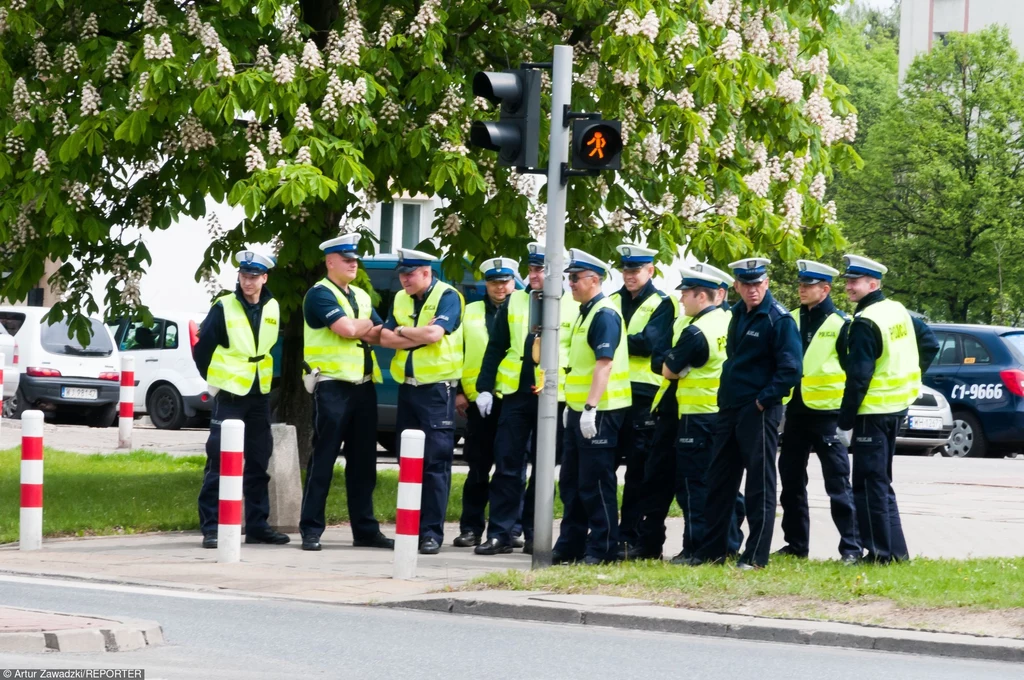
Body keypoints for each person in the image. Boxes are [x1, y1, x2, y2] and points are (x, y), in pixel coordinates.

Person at [686, 257, 801, 569]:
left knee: (759, 485)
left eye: (758, 283)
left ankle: (755, 555)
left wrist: (762, 401)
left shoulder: (779, 319)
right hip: (729, 408)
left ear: (766, 283)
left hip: (758, 411)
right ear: (736, 286)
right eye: (747, 284)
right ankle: (712, 551)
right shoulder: (736, 314)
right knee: (718, 481)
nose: (753, 290)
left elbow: (790, 370)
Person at [474, 242, 576, 555]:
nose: (533, 275)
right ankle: (501, 533)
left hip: (555, 396)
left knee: (544, 468)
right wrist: (484, 387)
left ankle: (535, 534)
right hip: (517, 394)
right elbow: (496, 346)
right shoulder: (515, 300)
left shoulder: (573, 302)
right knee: (507, 464)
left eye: (540, 269)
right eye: (531, 269)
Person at [838, 254, 939, 564]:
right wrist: (910, 374)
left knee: (868, 486)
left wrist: (845, 419)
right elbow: (931, 344)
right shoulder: (897, 311)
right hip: (896, 407)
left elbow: (859, 376)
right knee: (880, 483)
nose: (849, 287)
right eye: (848, 282)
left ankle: (881, 554)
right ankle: (894, 553)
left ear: (874, 283)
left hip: (874, 411)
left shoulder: (866, 321)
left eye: (854, 282)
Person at [298, 234, 394, 552]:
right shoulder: (319, 295)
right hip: (332, 387)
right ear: (330, 262)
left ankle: (365, 530)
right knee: (324, 459)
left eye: (355, 259)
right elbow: (350, 330)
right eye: (346, 259)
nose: (354, 264)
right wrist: (366, 325)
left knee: (364, 462)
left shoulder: (362, 296)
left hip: (364, 386)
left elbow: (380, 335)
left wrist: (380, 328)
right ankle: (311, 529)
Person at [194, 250, 289, 549]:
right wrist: (215, 381)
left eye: (253, 277)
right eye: (243, 276)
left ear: (264, 278)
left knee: (259, 461)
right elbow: (203, 348)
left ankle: (258, 524)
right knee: (220, 462)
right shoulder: (224, 306)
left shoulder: (272, 306)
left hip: (259, 395)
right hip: (231, 396)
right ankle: (212, 526)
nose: (247, 282)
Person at [776, 260, 861, 563]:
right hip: (796, 412)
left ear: (825, 289)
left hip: (827, 414)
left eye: (808, 286)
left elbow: (853, 372)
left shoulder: (842, 324)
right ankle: (796, 545)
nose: (802, 289)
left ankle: (851, 548)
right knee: (791, 482)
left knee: (838, 484)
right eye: (800, 285)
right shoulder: (790, 319)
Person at [380, 248, 464, 555]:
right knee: (408, 462)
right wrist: (408, 332)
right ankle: (410, 528)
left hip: (436, 391)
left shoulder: (448, 296)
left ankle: (431, 533)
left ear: (427, 273)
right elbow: (385, 338)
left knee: (434, 464)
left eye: (410, 274)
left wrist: (403, 331)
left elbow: (434, 334)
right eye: (402, 274)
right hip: (408, 389)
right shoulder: (401, 298)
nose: (404, 280)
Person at [553, 248, 631, 565]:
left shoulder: (604, 314)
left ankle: (602, 548)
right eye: (569, 278)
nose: (570, 284)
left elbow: (604, 365)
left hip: (601, 413)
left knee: (595, 484)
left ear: (593, 280)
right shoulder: (586, 311)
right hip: (581, 412)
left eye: (575, 278)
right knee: (571, 482)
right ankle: (571, 543)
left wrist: (589, 408)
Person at [608, 244, 675, 555]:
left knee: (638, 470)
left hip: (644, 395)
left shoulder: (662, 304)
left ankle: (631, 534)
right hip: (612, 392)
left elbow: (650, 344)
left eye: (636, 270)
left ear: (650, 271)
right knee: (605, 467)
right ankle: (607, 533)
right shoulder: (609, 301)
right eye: (626, 270)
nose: (630, 276)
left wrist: (609, 341)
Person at [452, 257, 517, 548]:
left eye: (504, 281)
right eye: (494, 282)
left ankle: (509, 528)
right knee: (478, 468)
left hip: (512, 399)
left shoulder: (524, 307)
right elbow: (456, 350)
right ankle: (471, 528)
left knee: (510, 467)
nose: (500, 287)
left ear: (513, 282)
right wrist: (459, 391)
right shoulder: (471, 310)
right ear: (485, 284)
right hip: (478, 400)